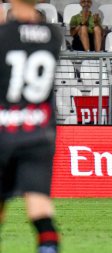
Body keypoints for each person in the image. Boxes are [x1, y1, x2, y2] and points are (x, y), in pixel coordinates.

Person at [0, 0, 62, 252]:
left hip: (4, 131)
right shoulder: (53, 35)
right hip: (39, 132)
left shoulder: (4, 36)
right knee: (39, 207)